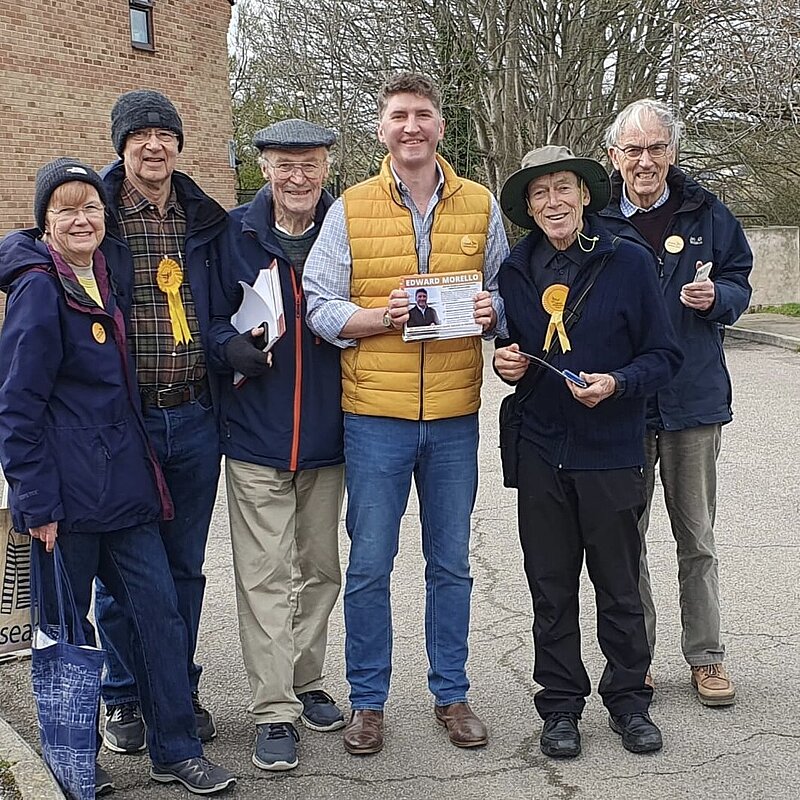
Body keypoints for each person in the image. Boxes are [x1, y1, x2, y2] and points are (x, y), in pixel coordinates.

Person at [0, 159, 235, 795]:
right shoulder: (39, 288)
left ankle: (176, 748)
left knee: (158, 615)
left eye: (91, 208)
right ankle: (73, 760)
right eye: (67, 210)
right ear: (46, 222)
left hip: (126, 490)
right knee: (68, 634)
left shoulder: (104, 273)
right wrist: (36, 500)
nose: (82, 219)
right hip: (66, 502)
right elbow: (17, 407)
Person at [304, 71, 509, 756]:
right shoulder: (349, 208)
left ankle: (450, 692)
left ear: (441, 126)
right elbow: (318, 304)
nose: (411, 127)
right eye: (399, 116)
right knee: (369, 565)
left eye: (423, 114)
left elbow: (509, 292)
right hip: (374, 419)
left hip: (453, 417)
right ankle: (368, 702)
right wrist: (373, 316)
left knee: (450, 563)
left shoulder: (480, 205)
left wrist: (495, 312)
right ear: (381, 128)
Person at [494, 145, 683, 758]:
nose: (554, 202)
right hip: (541, 450)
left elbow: (665, 355)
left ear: (584, 196)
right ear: (528, 206)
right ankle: (560, 706)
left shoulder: (628, 261)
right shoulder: (515, 269)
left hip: (612, 446)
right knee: (550, 587)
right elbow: (508, 346)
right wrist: (508, 363)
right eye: (540, 192)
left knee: (620, 585)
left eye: (564, 189)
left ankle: (629, 701)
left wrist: (618, 383)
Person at [599, 99, 753, 706]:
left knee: (698, 538)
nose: (645, 161)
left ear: (672, 151)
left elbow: (741, 280)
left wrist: (718, 297)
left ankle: (706, 658)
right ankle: (635, 660)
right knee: (625, 540)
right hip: (625, 404)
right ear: (615, 156)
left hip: (693, 401)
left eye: (656, 148)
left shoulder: (709, 213)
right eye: (632, 150)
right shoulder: (599, 220)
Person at [209, 119, 345, 772]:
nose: (298, 178)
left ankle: (304, 677)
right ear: (264, 168)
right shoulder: (232, 235)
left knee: (320, 572)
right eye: (285, 165)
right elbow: (206, 318)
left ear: (326, 167)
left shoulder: (344, 229)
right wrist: (224, 345)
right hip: (257, 437)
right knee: (265, 579)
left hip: (328, 438)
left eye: (310, 165)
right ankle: (273, 710)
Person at [94, 90, 227, 752]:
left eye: (164, 134)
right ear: (121, 146)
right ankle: (122, 695)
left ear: (179, 143)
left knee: (184, 569)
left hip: (195, 419)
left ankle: (176, 685)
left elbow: (228, 307)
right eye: (139, 134)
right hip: (126, 425)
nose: (153, 145)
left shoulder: (205, 219)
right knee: (121, 571)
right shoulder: (96, 213)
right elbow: (29, 256)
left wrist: (244, 345)